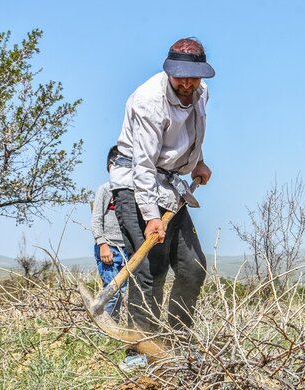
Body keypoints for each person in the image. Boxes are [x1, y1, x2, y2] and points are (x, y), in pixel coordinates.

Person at [109, 37, 214, 370]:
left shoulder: (201, 93)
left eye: (193, 77)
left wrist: (197, 161)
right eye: (180, 76)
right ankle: (139, 351)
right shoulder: (148, 101)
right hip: (134, 180)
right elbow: (142, 164)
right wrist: (151, 216)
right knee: (149, 270)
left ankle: (175, 342)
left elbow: (189, 137)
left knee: (192, 267)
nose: (187, 83)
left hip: (171, 182)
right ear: (169, 71)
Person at [90, 145, 127, 322]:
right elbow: (96, 219)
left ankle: (114, 325)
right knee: (111, 291)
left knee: (123, 291)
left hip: (126, 249)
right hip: (109, 248)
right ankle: (105, 330)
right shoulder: (105, 190)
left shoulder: (130, 192)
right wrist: (102, 244)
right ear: (110, 166)